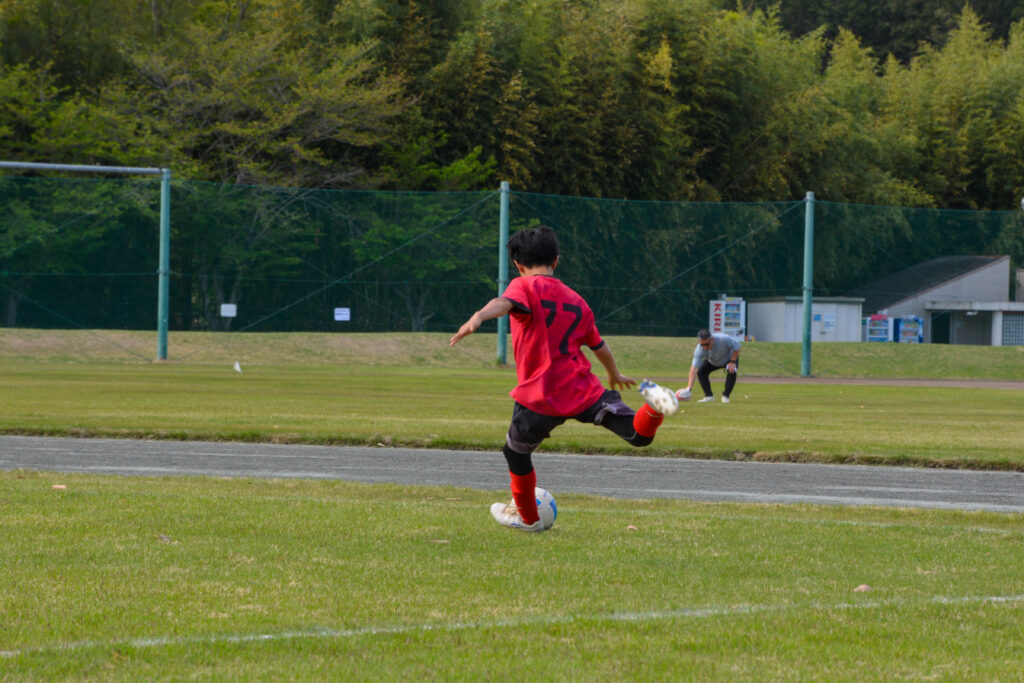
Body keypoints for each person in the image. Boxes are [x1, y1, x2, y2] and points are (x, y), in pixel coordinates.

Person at [449, 225, 678, 532]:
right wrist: (614, 374)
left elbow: (504, 303)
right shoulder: (577, 300)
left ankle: (528, 518)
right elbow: (599, 345)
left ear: (517, 265)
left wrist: (479, 315)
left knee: (515, 452)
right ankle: (654, 408)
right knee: (638, 436)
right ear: (556, 260)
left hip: (541, 395)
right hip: (584, 389)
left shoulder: (523, 286)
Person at [678, 329, 740, 404]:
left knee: (732, 371)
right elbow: (694, 368)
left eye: (706, 344)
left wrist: (732, 361)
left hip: (728, 359)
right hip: (713, 361)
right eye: (702, 344)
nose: (704, 347)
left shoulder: (723, 339)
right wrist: (689, 388)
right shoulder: (699, 350)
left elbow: (737, 346)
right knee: (701, 371)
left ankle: (726, 396)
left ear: (712, 339)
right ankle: (708, 396)